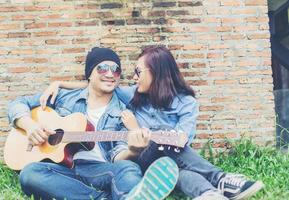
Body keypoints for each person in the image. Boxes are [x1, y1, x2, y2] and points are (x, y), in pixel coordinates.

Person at [40, 45, 264, 200]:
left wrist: (137, 128)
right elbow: (99, 84)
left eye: (138, 72)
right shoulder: (132, 94)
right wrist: (60, 83)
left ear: (155, 72)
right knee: (162, 138)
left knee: (172, 162)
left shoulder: (186, 103)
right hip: (141, 158)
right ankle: (221, 178)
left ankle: (208, 193)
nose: (134, 77)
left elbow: (181, 140)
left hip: (170, 159)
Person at [7, 47, 179, 200]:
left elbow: (117, 154)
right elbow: (18, 103)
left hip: (99, 170)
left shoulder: (123, 112)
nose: (110, 74)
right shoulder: (63, 97)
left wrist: (133, 150)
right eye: (103, 68)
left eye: (116, 70)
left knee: (128, 168)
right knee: (30, 173)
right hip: (62, 169)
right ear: (89, 73)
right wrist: (30, 126)